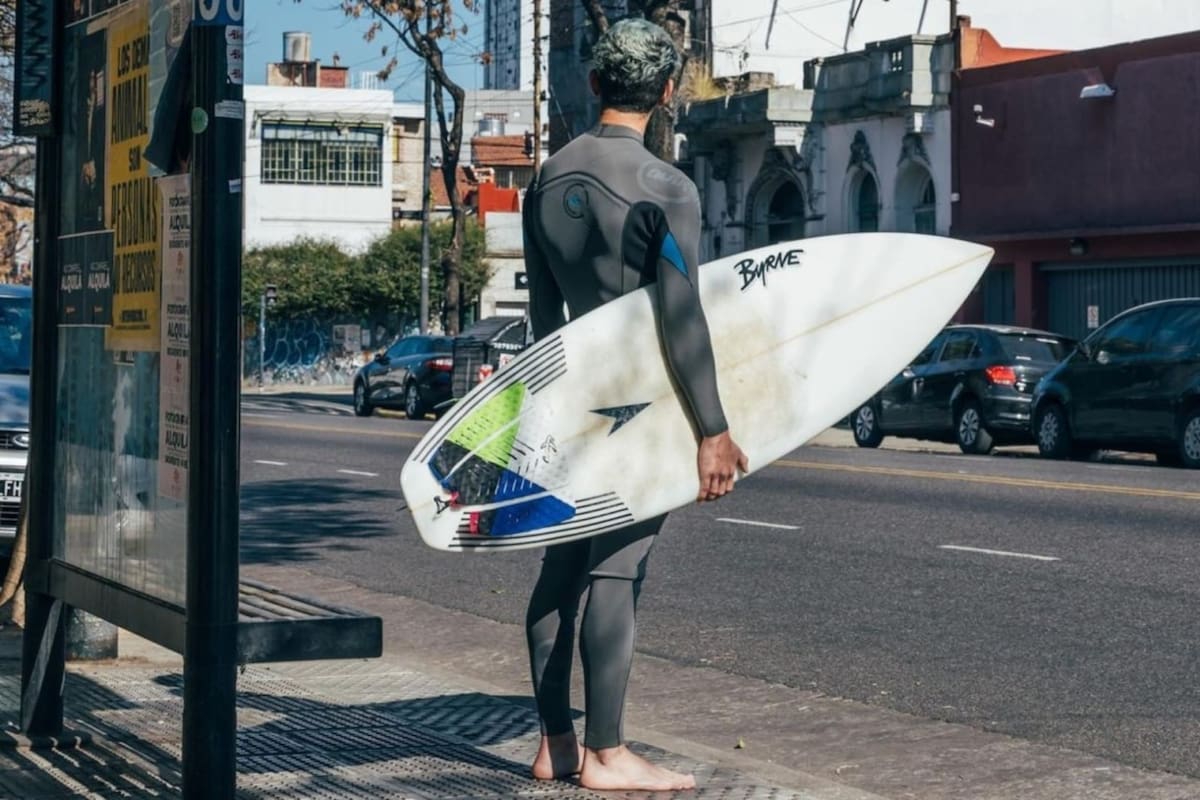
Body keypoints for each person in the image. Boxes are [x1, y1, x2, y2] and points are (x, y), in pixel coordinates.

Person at [521, 18, 749, 793]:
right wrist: (713, 430)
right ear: (667, 91)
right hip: (638, 402)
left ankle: (556, 744)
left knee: (561, 566)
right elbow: (682, 318)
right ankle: (609, 754)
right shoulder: (664, 187)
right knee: (616, 570)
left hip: (568, 396)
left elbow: (543, 322)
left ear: (594, 85)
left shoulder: (546, 180)